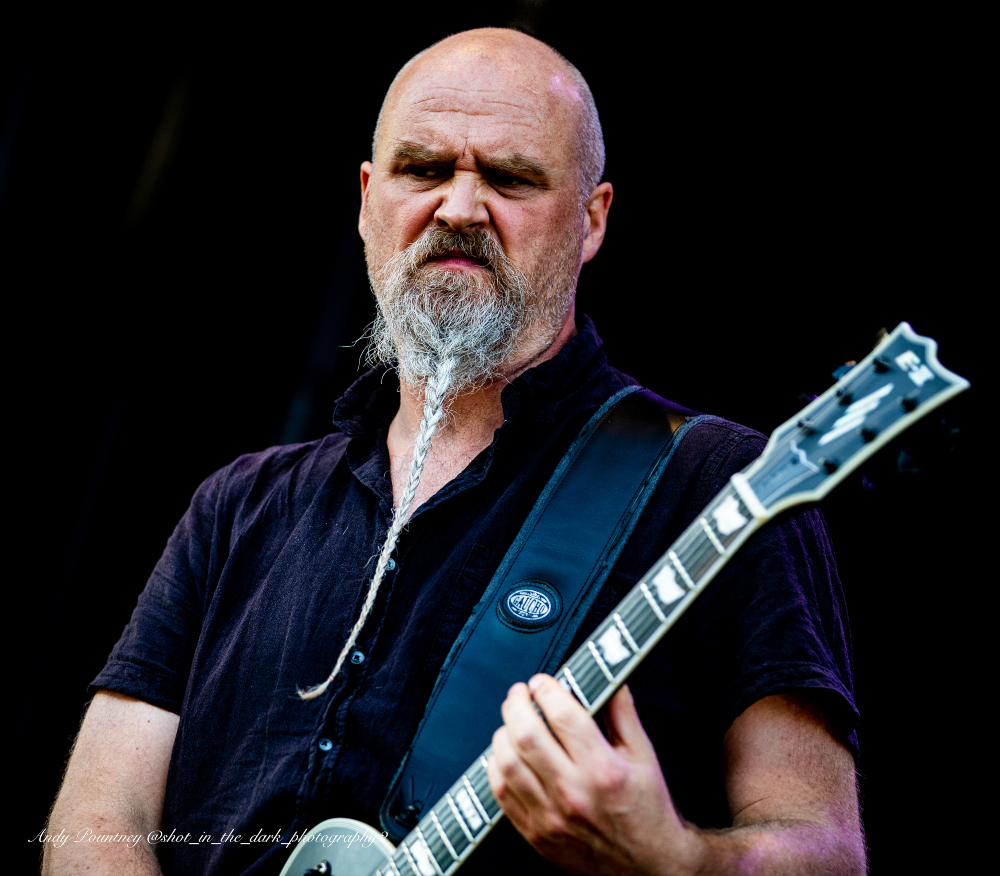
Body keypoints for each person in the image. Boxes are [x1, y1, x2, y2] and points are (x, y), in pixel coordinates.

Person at [43, 28, 866, 875]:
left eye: (510, 178)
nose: (460, 209)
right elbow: (97, 821)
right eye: (424, 169)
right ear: (368, 199)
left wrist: (674, 859)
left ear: (591, 219)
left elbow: (827, 851)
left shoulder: (717, 484)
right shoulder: (240, 506)